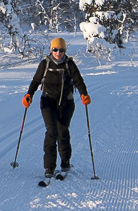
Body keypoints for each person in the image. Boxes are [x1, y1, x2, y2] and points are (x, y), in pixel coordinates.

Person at [22, 37, 90, 176]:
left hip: (66, 102)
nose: (58, 52)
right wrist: (29, 95)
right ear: (51, 50)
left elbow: (78, 80)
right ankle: (49, 167)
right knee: (52, 131)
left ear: (65, 51)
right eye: (55, 49)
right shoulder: (45, 64)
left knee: (63, 131)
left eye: (61, 50)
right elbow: (35, 81)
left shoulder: (69, 64)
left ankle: (65, 162)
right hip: (48, 101)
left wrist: (84, 94)